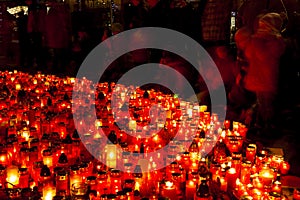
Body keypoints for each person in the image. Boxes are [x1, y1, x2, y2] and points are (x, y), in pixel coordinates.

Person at [235, 12, 286, 131]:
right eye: (260, 26)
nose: (261, 29)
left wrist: (255, 41)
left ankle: (267, 128)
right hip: (257, 79)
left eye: (264, 26)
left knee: (266, 106)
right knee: (260, 104)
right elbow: (249, 54)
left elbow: (262, 56)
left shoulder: (274, 42)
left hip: (265, 80)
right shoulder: (259, 40)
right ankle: (258, 125)